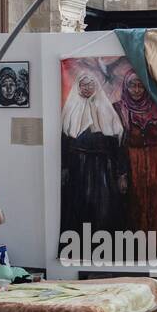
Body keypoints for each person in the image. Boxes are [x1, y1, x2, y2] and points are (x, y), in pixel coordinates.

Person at [114, 71, 157, 257]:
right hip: (133, 164)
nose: (136, 90)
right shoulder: (119, 109)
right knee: (135, 205)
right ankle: (138, 250)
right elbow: (119, 145)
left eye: (140, 86)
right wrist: (122, 173)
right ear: (126, 86)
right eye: (132, 85)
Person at [59, 70, 125, 239]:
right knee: (78, 202)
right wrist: (64, 166)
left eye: (90, 84)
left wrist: (120, 172)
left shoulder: (105, 107)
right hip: (77, 165)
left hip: (102, 166)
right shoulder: (71, 108)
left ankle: (101, 239)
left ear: (96, 86)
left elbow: (115, 141)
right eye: (83, 84)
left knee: (102, 204)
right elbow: (65, 140)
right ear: (78, 86)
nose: (87, 88)